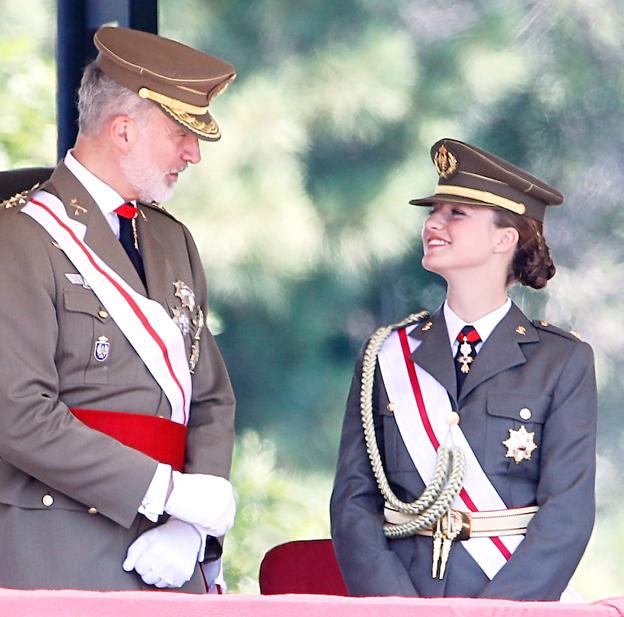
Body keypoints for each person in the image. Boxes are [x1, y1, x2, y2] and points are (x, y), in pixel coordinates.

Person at [0, 26, 238, 592]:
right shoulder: (20, 237)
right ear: (124, 130)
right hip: (59, 550)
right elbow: (17, 412)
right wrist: (164, 491)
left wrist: (189, 525)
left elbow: (209, 400)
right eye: (182, 132)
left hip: (170, 557)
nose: (194, 154)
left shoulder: (172, 240)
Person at [330, 138, 597, 601]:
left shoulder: (562, 362)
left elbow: (567, 514)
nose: (433, 222)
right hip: (399, 599)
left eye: (457, 213)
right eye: (434, 211)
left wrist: (497, 614)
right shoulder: (386, 354)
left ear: (504, 237)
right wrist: (396, 608)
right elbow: (353, 503)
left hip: (508, 599)